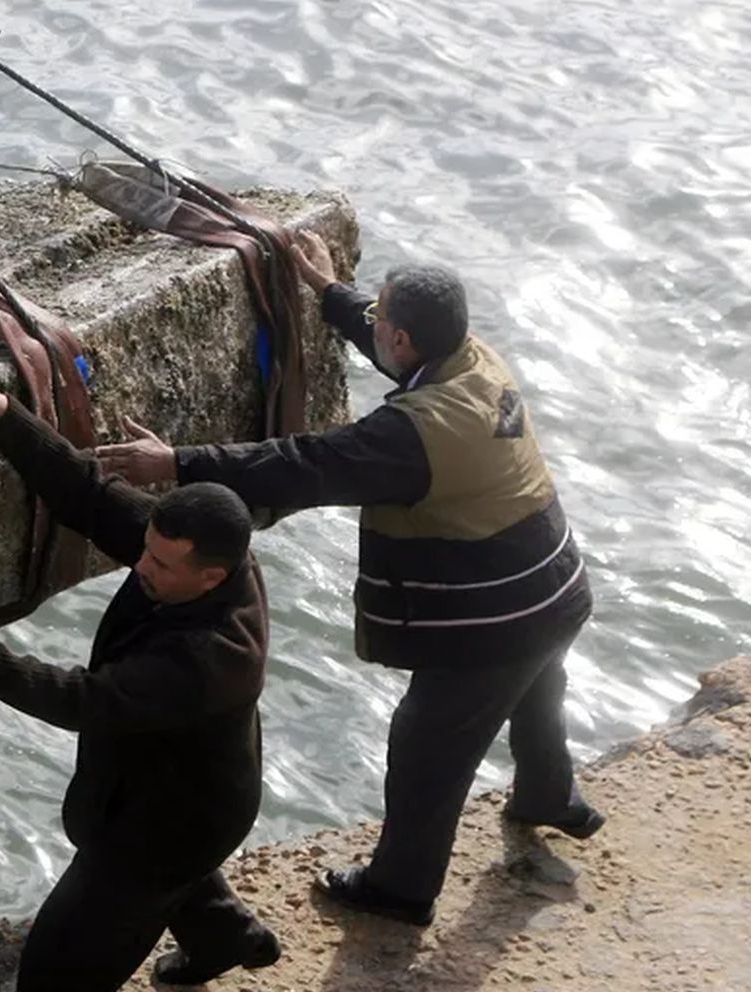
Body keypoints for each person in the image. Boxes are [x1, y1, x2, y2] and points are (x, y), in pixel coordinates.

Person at [95, 233, 602, 927]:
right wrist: (331, 292)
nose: (378, 329)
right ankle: (551, 796)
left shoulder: (410, 433)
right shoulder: (471, 360)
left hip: (497, 620)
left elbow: (304, 462)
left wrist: (177, 463)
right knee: (538, 692)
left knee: (428, 745)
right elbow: (389, 337)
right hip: (556, 583)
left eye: (381, 319)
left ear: (403, 336)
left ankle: (401, 887)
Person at [0, 376, 279, 992]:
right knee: (181, 882)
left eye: (159, 565)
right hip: (182, 782)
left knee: (56, 978)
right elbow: (91, 496)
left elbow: (79, 699)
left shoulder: (212, 659)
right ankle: (228, 937)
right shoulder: (195, 554)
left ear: (212, 576)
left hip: (171, 825)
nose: (141, 566)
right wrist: (5, 416)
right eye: (145, 551)